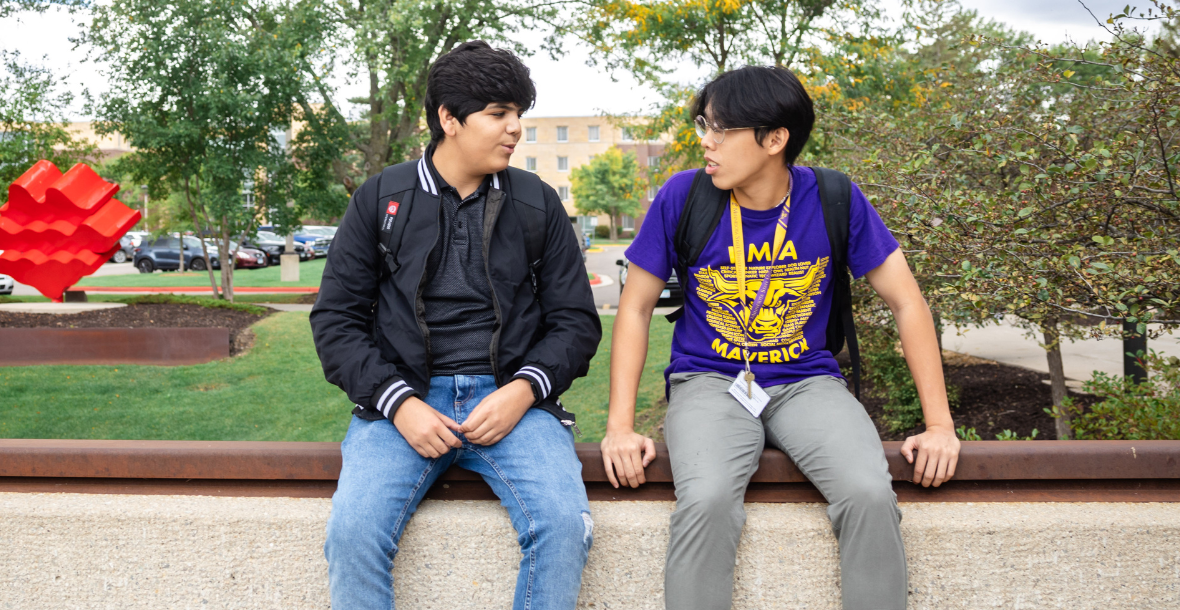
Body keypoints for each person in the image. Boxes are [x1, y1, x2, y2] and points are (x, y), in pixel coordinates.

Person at [599, 65, 961, 609]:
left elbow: (908, 302)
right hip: (708, 380)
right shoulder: (684, 196)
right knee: (708, 498)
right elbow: (635, 307)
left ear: (774, 139)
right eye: (705, 125)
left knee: (868, 492)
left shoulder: (834, 197)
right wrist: (619, 427)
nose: (706, 141)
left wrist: (940, 425)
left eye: (721, 130)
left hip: (807, 380)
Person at [310, 40, 602, 610]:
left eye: (519, 114)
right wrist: (399, 402)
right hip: (404, 404)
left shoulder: (536, 203)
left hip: (514, 401)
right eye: (499, 114)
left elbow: (574, 322)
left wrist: (523, 391)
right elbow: (337, 322)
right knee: (351, 536)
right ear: (449, 118)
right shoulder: (380, 199)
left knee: (566, 527)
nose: (515, 128)